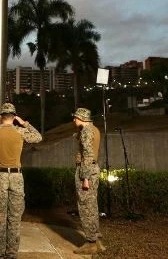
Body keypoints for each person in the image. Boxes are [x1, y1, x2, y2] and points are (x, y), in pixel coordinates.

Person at [0, 103, 42, 259]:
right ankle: (11, 254)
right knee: (15, 218)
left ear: (1, 116)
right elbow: (38, 137)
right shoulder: (20, 131)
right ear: (14, 117)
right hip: (16, 177)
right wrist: (24, 123)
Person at [71, 108, 105, 254]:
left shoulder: (85, 132)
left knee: (85, 207)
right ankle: (97, 241)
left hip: (86, 171)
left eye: (75, 117)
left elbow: (87, 154)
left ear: (81, 118)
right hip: (93, 169)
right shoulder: (94, 129)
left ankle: (90, 243)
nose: (73, 120)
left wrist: (84, 177)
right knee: (92, 206)